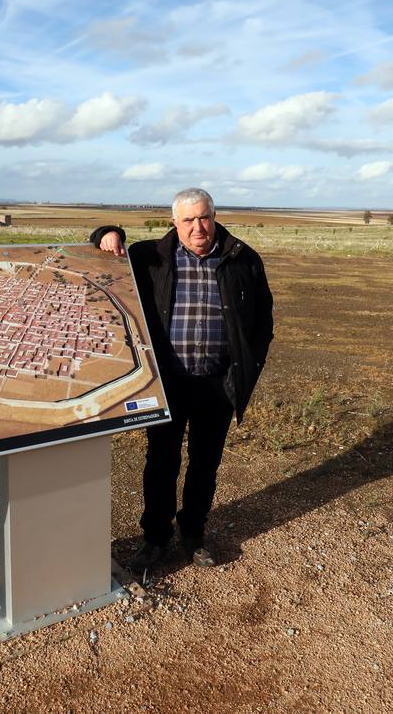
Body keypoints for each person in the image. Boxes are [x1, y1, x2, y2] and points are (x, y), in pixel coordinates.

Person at [91, 188, 273, 573]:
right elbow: (102, 252)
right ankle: (155, 539)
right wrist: (107, 231)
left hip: (217, 384)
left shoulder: (243, 259)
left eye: (204, 217)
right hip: (167, 384)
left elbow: (262, 322)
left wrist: (244, 372)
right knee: (161, 463)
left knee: (205, 464)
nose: (198, 227)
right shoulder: (150, 257)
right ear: (174, 222)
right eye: (188, 220)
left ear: (214, 216)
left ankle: (193, 534)